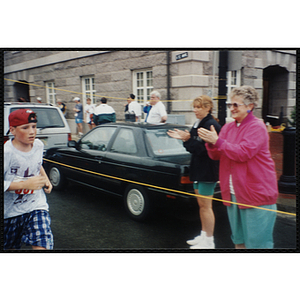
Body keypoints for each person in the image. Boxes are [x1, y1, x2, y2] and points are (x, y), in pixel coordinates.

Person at [198, 86, 278, 249]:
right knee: (238, 241)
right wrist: (211, 143)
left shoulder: (257, 127)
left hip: (257, 195)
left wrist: (218, 141)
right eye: (230, 105)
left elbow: (243, 153)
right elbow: (217, 155)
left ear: (250, 106)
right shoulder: (228, 127)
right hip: (234, 194)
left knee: (258, 245)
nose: (232, 109)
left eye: (236, 105)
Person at [168, 96, 221, 249]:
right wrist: (186, 140)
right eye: (194, 107)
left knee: (206, 206)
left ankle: (209, 241)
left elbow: (206, 150)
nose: (195, 110)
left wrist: (187, 140)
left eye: (199, 107)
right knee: (201, 205)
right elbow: (193, 147)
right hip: (198, 168)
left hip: (207, 170)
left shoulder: (211, 124)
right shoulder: (199, 123)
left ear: (207, 108)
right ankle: (203, 235)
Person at [4, 109, 53, 250]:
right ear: (12, 130)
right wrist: (25, 184)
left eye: (34, 126)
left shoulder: (38, 145)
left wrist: (45, 178)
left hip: (35, 205)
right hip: (10, 211)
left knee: (42, 244)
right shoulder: (7, 153)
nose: (32, 132)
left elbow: (37, 164)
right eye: (25, 128)